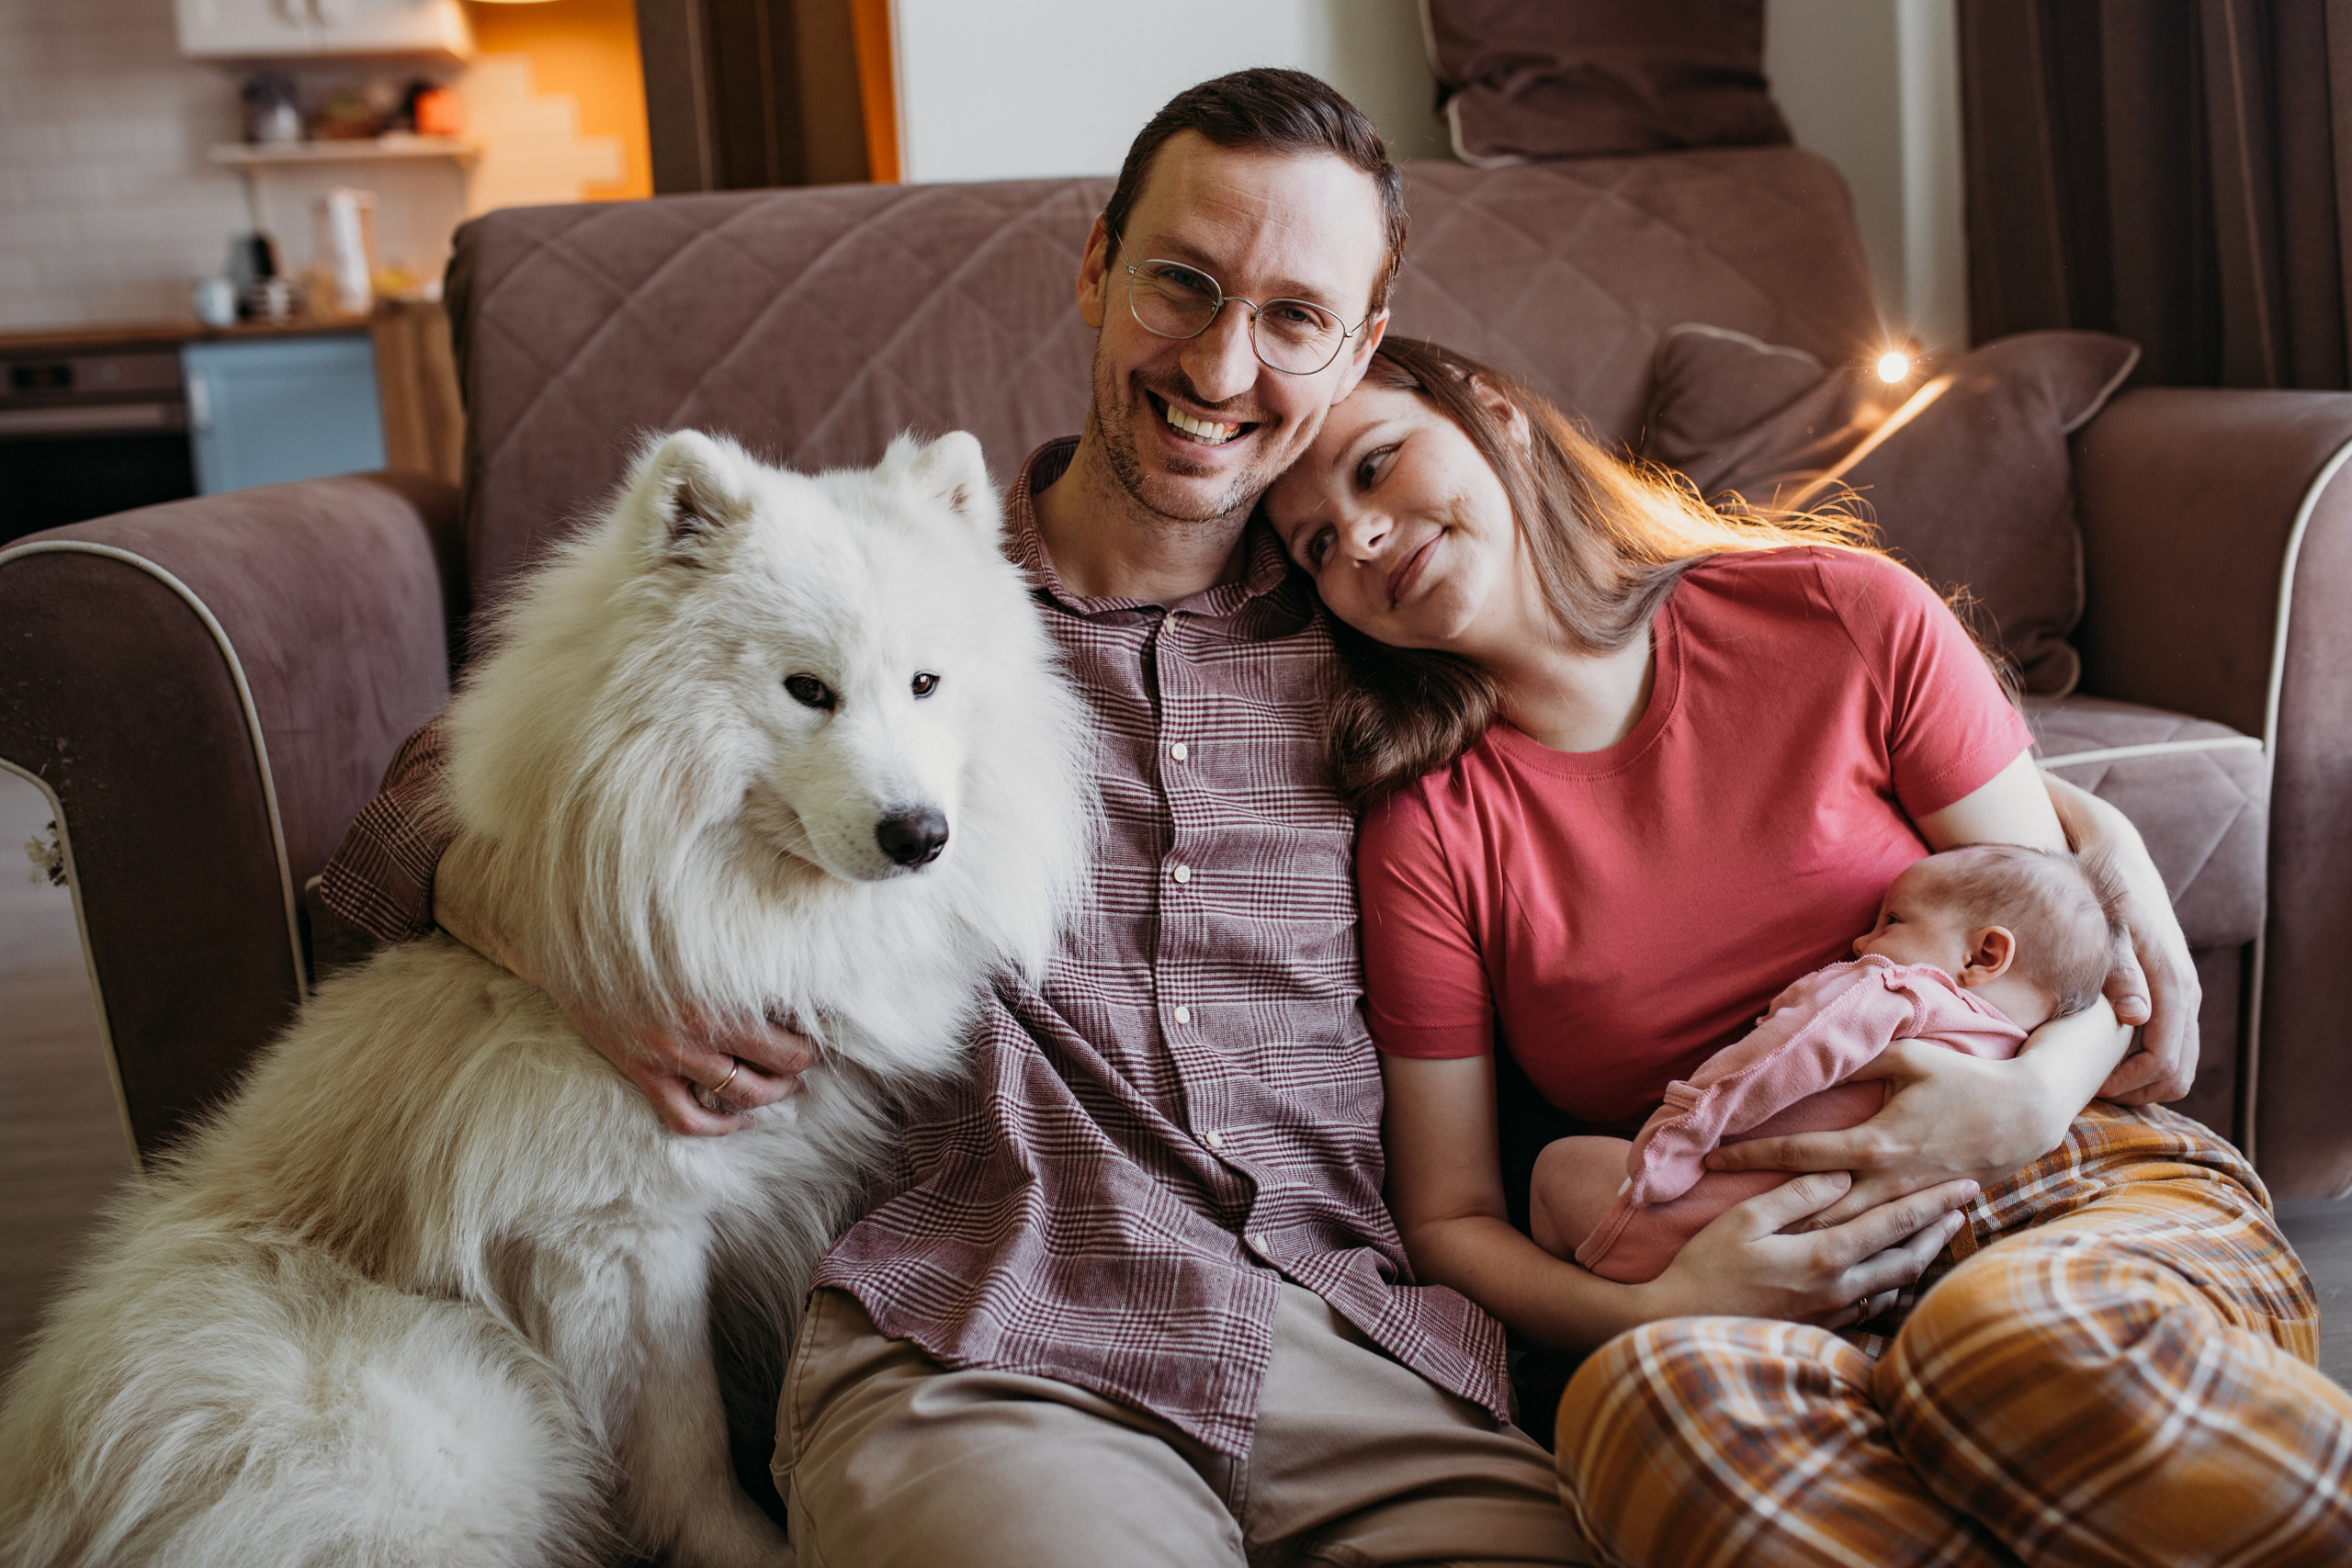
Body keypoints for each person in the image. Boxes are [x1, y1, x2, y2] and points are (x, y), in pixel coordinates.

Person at [325, 69, 2205, 1568]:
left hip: (1359, 1336)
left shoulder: (1380, 630)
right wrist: (550, 932)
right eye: (1182, 284)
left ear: (1364, 336)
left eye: (1293, 317)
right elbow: (442, 788)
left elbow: (1716, 700)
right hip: (990, 1328)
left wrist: (2076, 848)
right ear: (1094, 270)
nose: (1222, 366)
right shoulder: (907, 591)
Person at [1261, 335, 2352, 1564]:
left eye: (1375, 465)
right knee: (1645, 1415)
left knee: (2003, 1342)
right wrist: (1656, 1304)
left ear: (1498, 415)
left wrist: (2032, 1095)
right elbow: (1451, 1212)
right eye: (1311, 545)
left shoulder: (1834, 609)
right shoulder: (1429, 830)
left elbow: (2075, 942)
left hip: (2049, 1177)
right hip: (1733, 1273)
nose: (1352, 538)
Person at [1541, 842, 2121, 1285]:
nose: (1864, 943)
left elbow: (1779, 1057)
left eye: (1892, 921)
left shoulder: (1895, 991)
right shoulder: (2007, 1049)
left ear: (1984, 953)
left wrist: (1680, 1135)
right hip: (1852, 1263)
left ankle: (1570, 1325)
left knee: (1554, 1166)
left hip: (1693, 1229)